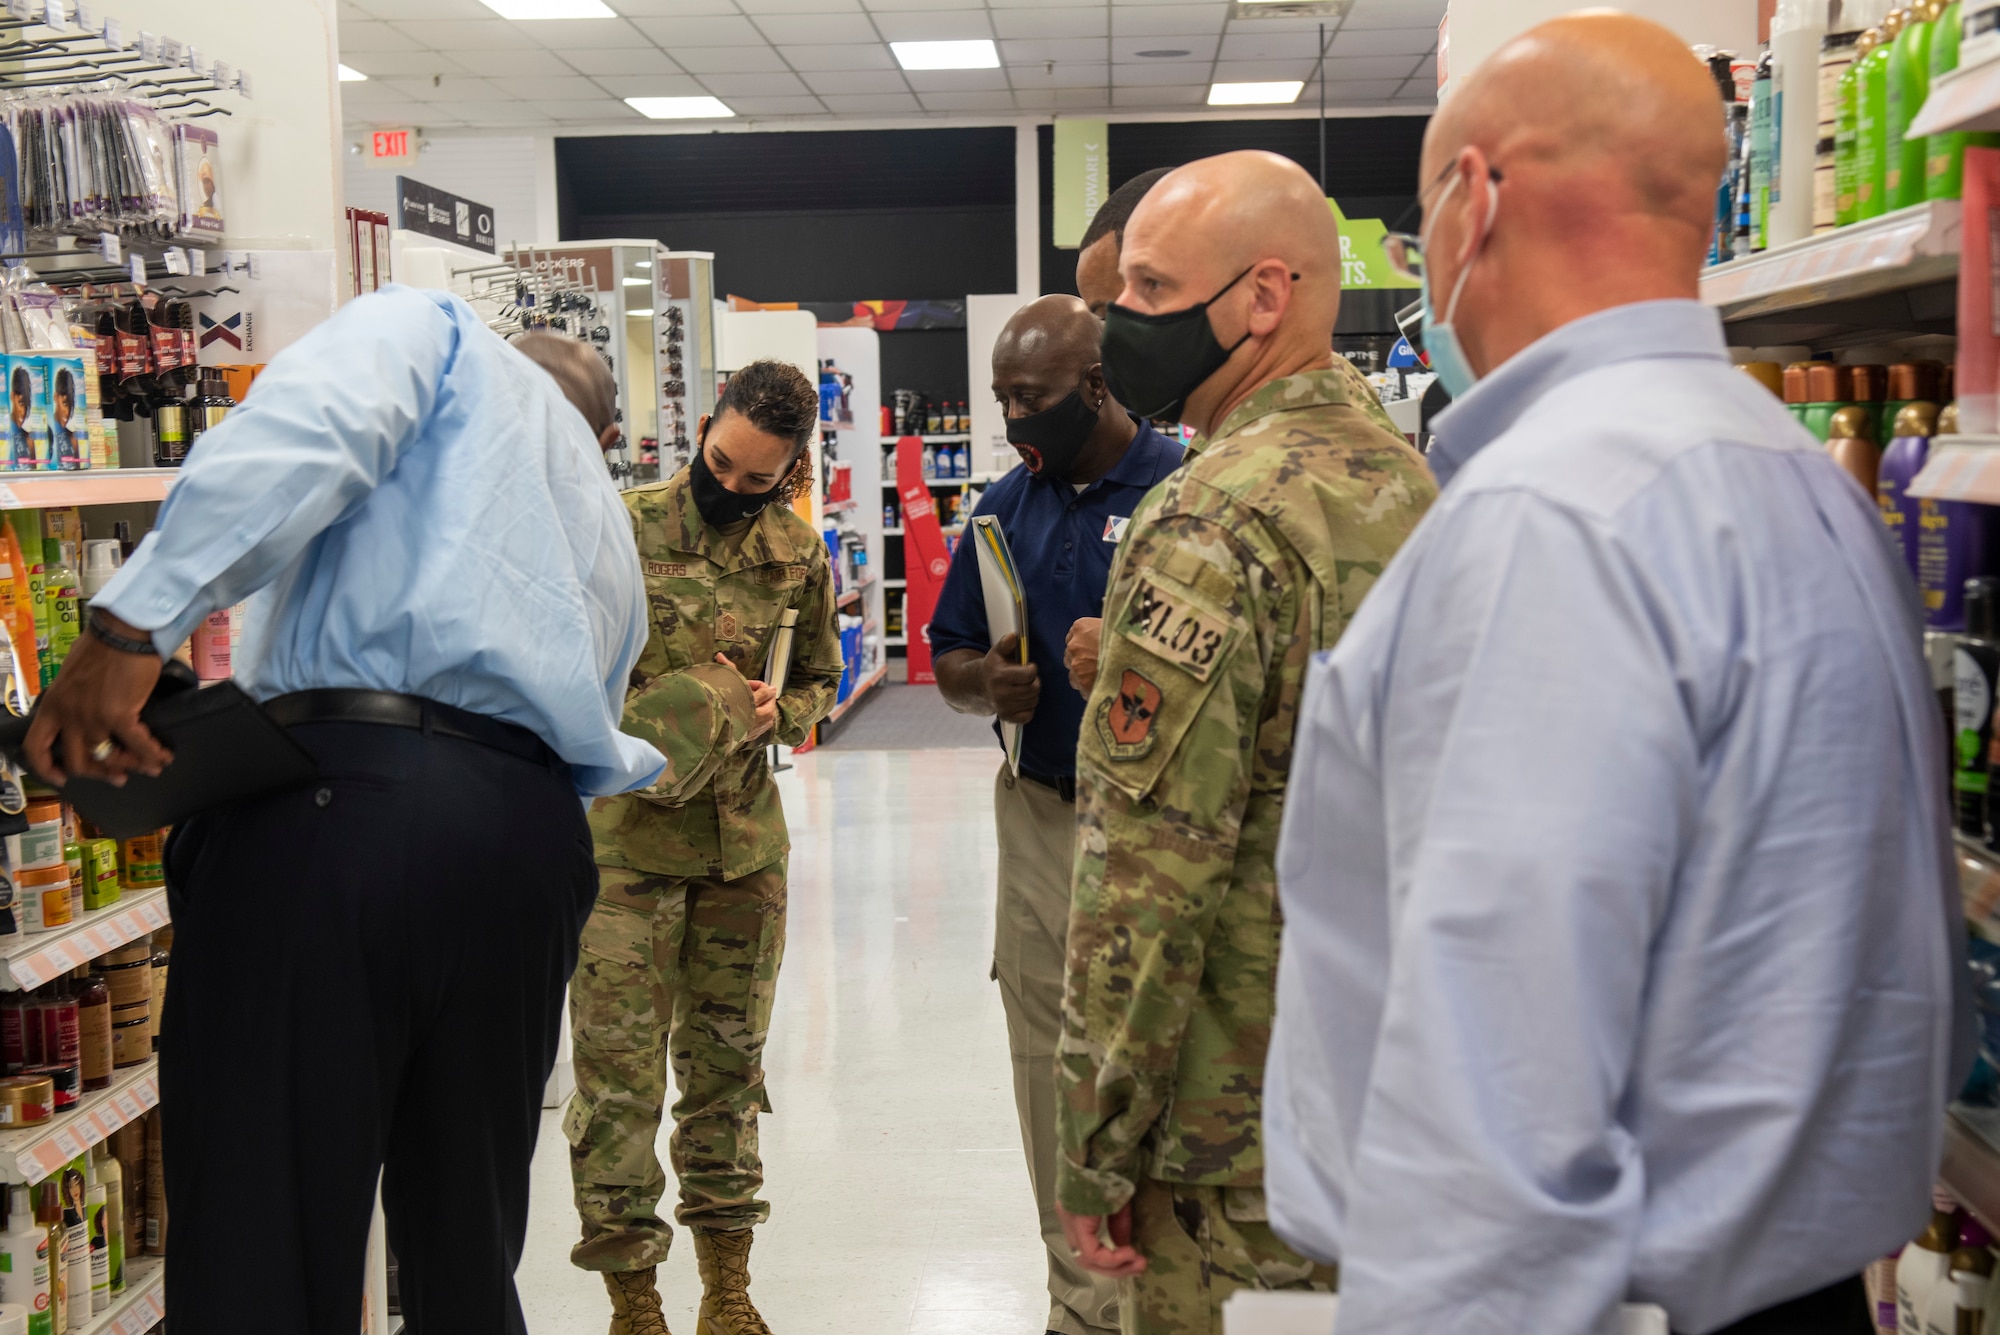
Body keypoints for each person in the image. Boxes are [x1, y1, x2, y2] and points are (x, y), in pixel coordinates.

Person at [1261, 15, 1968, 1335]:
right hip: (1798, 1280)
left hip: (1601, 1298)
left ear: (1475, 199)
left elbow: (1502, 1074)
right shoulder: (1783, 475)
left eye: (1421, 228)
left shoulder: (1557, 522)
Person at [22, 287, 675, 1335]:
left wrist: (133, 624)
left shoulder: (440, 331)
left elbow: (310, 430)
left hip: (349, 817)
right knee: (466, 1256)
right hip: (529, 844)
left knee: (262, 1244)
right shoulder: (599, 515)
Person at [1052, 150, 1435, 1335]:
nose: (1121, 326)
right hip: (1380, 1091)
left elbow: (1150, 873)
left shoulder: (1214, 515)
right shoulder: (1406, 481)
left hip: (1226, 1137)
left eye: (1153, 295)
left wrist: (1096, 1144)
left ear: (1262, 298)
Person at [569, 358, 845, 1335]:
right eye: (717, 463)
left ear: (790, 472)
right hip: (624, 854)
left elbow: (821, 677)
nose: (728, 487)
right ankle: (631, 1301)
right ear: (703, 427)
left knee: (727, 1081)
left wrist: (784, 712)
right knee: (617, 1087)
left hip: (740, 858)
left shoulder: (793, 551)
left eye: (755, 479)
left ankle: (727, 1291)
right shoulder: (620, 528)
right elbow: (562, 685)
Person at [930, 295, 1181, 1335]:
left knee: (1165, 1061)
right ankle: (1076, 1310)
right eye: (999, 400)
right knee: (1045, 1062)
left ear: (1093, 388)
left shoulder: (1185, 492)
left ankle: (1166, 1295)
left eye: (1027, 399)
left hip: (1166, 829)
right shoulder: (1000, 508)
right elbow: (944, 655)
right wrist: (984, 685)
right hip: (1039, 814)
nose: (1010, 422)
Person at [1062, 165, 1408, 701]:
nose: (1114, 339)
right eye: (1105, 318)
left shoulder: (1204, 504)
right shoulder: (1346, 411)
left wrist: (1124, 653)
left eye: (1137, 301)